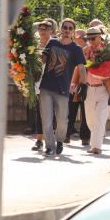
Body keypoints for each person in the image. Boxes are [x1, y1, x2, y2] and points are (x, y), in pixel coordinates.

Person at [37, 18, 85, 157]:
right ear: (61, 29)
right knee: (46, 119)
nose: (67, 30)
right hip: (46, 86)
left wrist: (84, 85)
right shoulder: (52, 42)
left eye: (70, 28)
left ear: (73, 32)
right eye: (65, 27)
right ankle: (50, 146)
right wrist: (31, 55)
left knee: (63, 120)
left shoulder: (76, 49)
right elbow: (43, 59)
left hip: (63, 89)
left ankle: (59, 140)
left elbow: (82, 68)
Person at [83, 27, 110, 155]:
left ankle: (96, 146)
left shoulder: (107, 51)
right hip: (89, 88)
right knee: (90, 119)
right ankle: (97, 136)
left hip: (103, 89)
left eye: (93, 38)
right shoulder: (86, 51)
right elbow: (80, 68)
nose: (90, 41)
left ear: (100, 37)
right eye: (88, 39)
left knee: (100, 117)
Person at [30, 20, 54, 152]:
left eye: (45, 28)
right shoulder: (34, 45)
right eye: (40, 29)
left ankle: (51, 140)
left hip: (52, 82)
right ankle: (39, 140)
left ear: (51, 30)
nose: (42, 31)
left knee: (51, 113)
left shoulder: (55, 44)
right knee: (39, 112)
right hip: (38, 82)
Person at [67, 28, 91, 146]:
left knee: (84, 112)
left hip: (83, 84)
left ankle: (85, 137)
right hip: (73, 84)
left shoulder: (87, 50)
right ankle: (67, 135)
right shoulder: (75, 48)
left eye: (77, 37)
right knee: (71, 110)